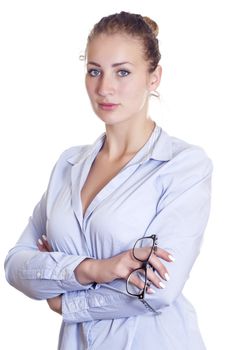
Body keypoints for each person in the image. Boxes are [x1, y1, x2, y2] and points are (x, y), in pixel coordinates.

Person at [4, 11, 213, 350]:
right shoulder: (68, 165)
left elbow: (158, 289)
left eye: (123, 72)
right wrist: (95, 269)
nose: (104, 88)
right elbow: (15, 265)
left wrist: (64, 299)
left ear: (154, 77)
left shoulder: (183, 166)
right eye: (94, 71)